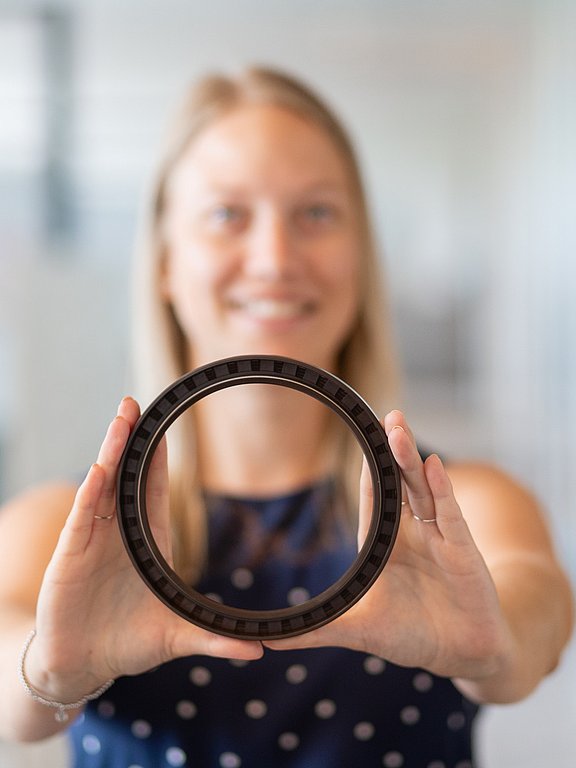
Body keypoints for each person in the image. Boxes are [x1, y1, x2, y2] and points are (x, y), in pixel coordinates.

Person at [0, 67, 573, 768]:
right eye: (226, 215)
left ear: (361, 258)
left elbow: (537, 614)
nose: (275, 259)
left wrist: (496, 648)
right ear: (165, 263)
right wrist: (50, 669)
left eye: (318, 214)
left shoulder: (462, 506)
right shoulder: (63, 525)